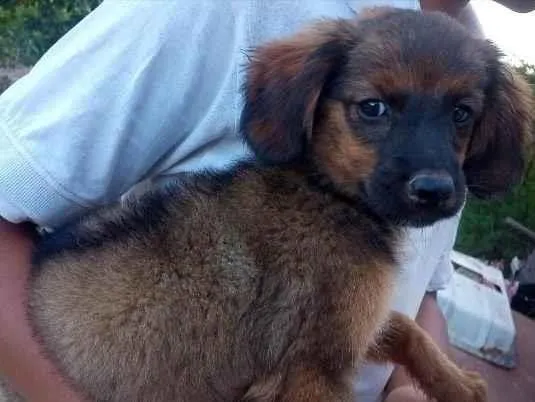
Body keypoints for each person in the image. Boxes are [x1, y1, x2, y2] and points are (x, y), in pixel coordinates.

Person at [0, 1, 533, 401]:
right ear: (313, 107)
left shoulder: (463, 52)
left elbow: (405, 298)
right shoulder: (221, 11)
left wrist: (411, 384)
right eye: (372, 109)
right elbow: (310, 375)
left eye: (460, 116)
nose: (432, 175)